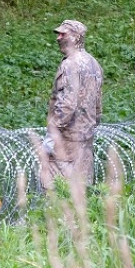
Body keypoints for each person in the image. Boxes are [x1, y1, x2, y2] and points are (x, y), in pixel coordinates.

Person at [42, 19, 105, 186]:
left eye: (63, 34)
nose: (58, 38)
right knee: (82, 188)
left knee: (56, 189)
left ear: (76, 37)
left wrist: (52, 133)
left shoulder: (70, 64)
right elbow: (98, 103)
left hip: (67, 141)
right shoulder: (93, 63)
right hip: (85, 139)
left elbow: (67, 103)